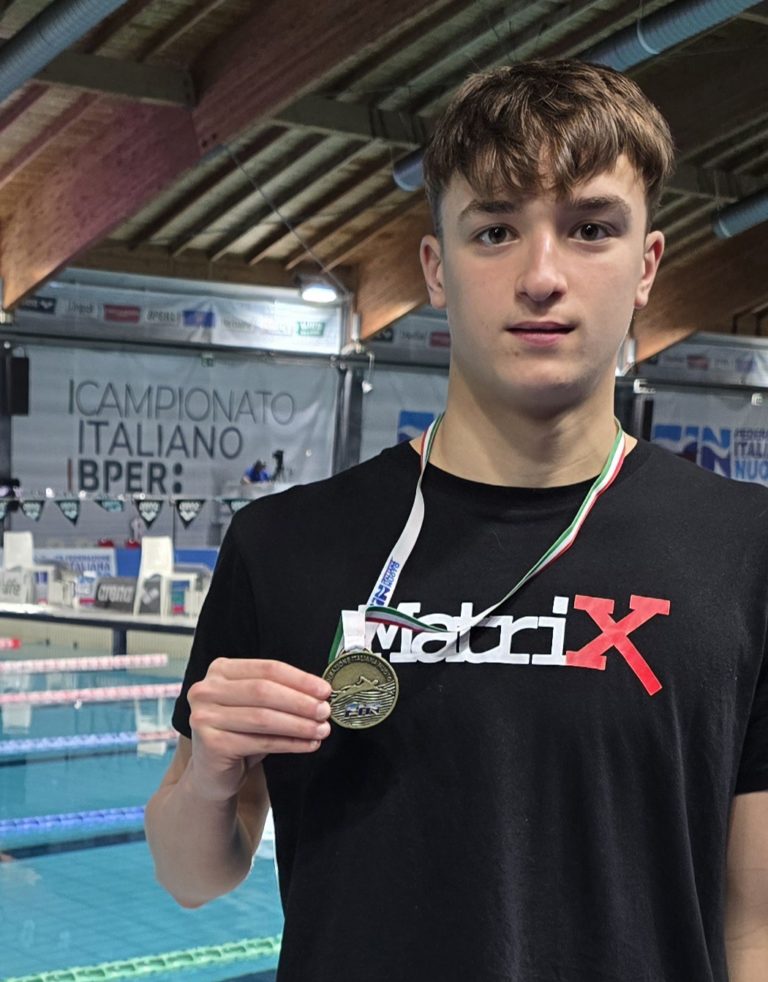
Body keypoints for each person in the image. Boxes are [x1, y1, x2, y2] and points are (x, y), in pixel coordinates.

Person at [145, 60, 768, 981]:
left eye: (591, 229)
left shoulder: (744, 547)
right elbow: (192, 875)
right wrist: (208, 775)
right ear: (436, 269)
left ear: (646, 266)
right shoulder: (285, 545)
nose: (542, 276)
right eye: (496, 231)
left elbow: (753, 927)